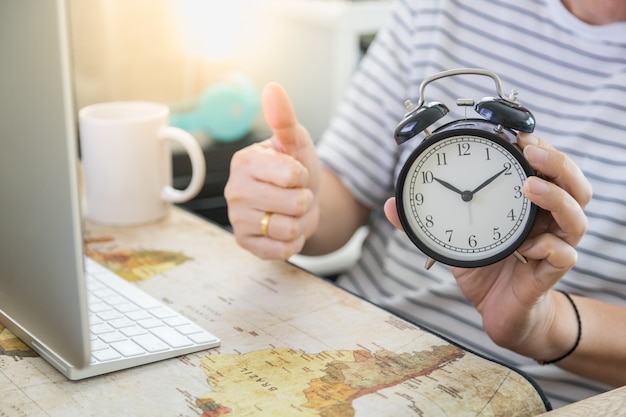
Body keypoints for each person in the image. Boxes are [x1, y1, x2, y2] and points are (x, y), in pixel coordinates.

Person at [224, 0, 626, 408]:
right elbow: (340, 192)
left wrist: (546, 324)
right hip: (353, 354)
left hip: (535, 398)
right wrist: (297, 201)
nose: (466, 196)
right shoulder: (435, 7)